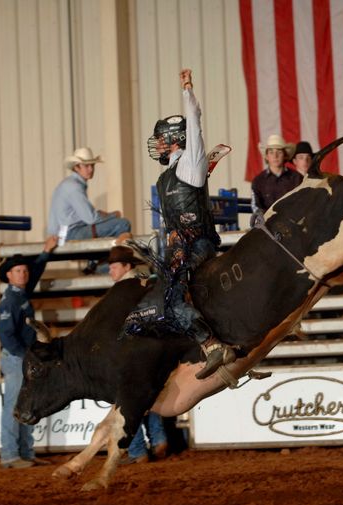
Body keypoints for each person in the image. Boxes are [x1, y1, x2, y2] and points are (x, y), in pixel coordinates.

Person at [129, 68, 235, 380]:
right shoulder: (167, 176)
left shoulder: (190, 162)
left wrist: (187, 90)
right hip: (178, 247)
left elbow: (195, 124)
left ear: (175, 140)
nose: (157, 145)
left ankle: (212, 345)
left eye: (161, 140)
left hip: (196, 244)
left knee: (170, 299)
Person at [0, 236, 57, 469]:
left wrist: (45, 253)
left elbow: (37, 271)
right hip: (16, 359)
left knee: (24, 404)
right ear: (9, 275)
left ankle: (24, 453)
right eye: (18, 271)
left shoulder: (18, 295)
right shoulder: (10, 301)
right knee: (15, 406)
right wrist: (25, 356)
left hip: (20, 358)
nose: (23, 274)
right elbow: (6, 336)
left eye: (24, 270)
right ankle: (11, 454)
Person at [107, 246, 167, 465]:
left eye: (114, 267)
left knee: (127, 403)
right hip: (151, 348)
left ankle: (137, 450)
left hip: (131, 352)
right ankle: (159, 439)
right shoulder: (146, 283)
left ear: (126, 266)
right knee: (149, 397)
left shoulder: (123, 290)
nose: (111, 272)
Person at [46, 147, 132, 242]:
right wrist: (113, 215)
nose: (91, 169)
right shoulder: (74, 187)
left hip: (63, 233)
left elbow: (84, 216)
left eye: (92, 165)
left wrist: (100, 214)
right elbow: (90, 219)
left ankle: (99, 256)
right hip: (70, 233)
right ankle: (110, 255)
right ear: (76, 167)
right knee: (123, 224)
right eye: (86, 166)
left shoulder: (68, 184)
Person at [250, 134, 301, 219]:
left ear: (285, 155)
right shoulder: (258, 181)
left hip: (292, 223)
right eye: (271, 152)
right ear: (266, 156)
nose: (275, 156)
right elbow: (256, 206)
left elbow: (302, 203)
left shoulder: (297, 178)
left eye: (279, 152)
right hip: (267, 224)